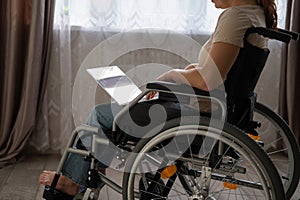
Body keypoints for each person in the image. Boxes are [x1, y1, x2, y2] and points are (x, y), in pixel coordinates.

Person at [39, 0, 277, 197]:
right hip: (206, 107)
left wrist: (172, 75)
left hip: (197, 114)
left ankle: (73, 184)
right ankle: (82, 176)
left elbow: (208, 80)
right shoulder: (254, 14)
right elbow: (216, 70)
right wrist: (173, 80)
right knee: (128, 96)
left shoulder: (234, 17)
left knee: (99, 116)